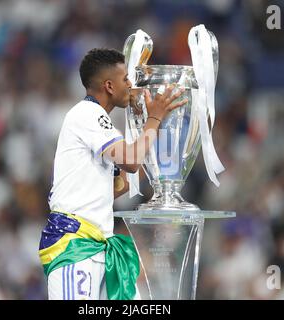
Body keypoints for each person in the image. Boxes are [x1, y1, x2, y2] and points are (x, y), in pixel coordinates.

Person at [38, 48, 187, 300]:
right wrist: (154, 118)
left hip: (99, 243)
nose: (130, 85)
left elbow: (125, 182)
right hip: (75, 244)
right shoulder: (87, 114)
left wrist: (144, 123)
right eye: (126, 79)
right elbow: (131, 161)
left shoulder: (100, 124)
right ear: (109, 85)